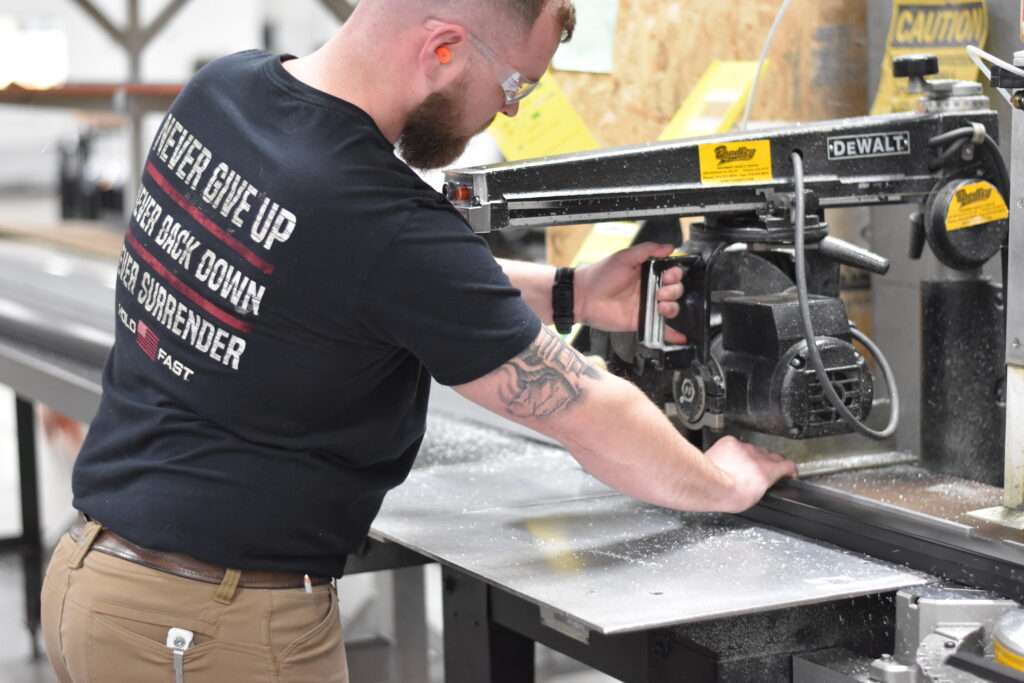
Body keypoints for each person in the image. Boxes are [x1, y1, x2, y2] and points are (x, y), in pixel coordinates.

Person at [41, 0, 797, 680]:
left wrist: (573, 291)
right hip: (211, 633)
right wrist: (719, 481)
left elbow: (362, 276)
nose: (506, 113)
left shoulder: (224, 90)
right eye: (516, 87)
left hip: (92, 587)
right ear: (442, 49)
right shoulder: (377, 216)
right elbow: (585, 409)